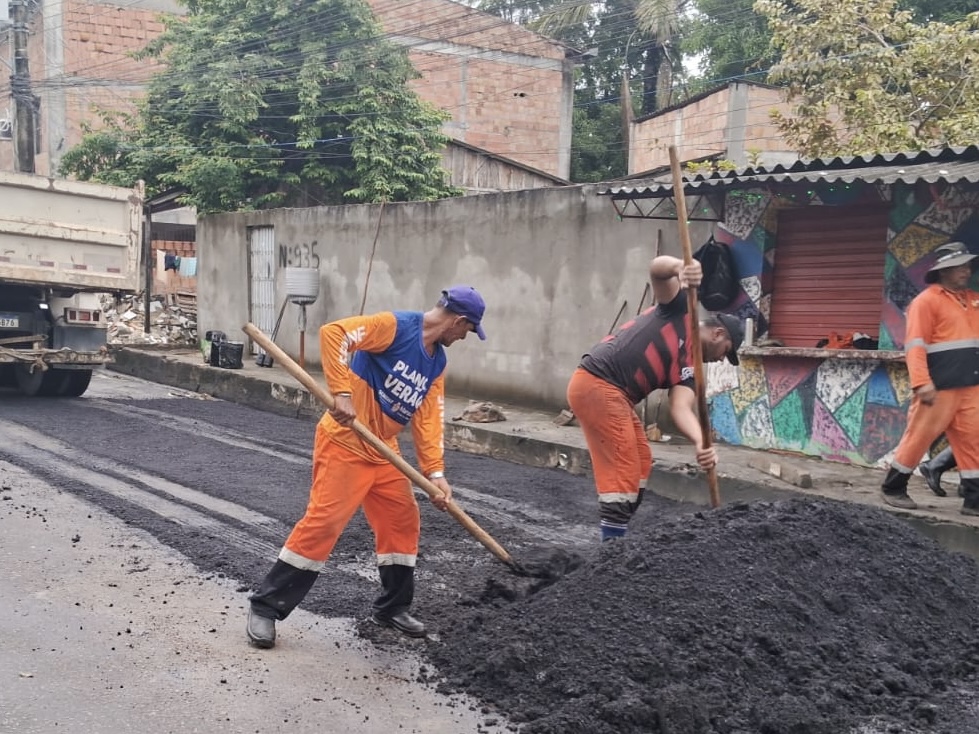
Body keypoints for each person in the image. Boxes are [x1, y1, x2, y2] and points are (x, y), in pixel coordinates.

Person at [246, 286, 487, 648]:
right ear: (459, 320)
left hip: (383, 452)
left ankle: (392, 608)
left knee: (402, 521)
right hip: (344, 444)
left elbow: (428, 418)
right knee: (323, 524)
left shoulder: (436, 361)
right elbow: (335, 333)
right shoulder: (397, 327)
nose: (465, 337)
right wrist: (341, 392)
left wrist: (435, 474)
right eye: (468, 330)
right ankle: (265, 608)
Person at [566, 255, 744, 541]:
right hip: (597, 383)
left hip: (617, 396)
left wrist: (701, 442)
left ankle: (617, 531)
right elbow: (657, 271)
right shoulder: (680, 309)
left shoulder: (691, 370)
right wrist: (679, 268)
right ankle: (610, 554)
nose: (722, 358)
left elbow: (681, 408)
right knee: (622, 469)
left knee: (641, 461)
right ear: (719, 333)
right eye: (726, 351)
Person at [881, 242, 979, 515]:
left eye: (968, 265)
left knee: (973, 442)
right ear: (944, 271)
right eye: (959, 266)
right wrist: (922, 382)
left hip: (970, 385)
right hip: (939, 386)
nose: (966, 270)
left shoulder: (973, 300)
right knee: (919, 438)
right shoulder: (926, 301)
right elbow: (915, 346)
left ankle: (974, 501)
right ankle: (893, 487)